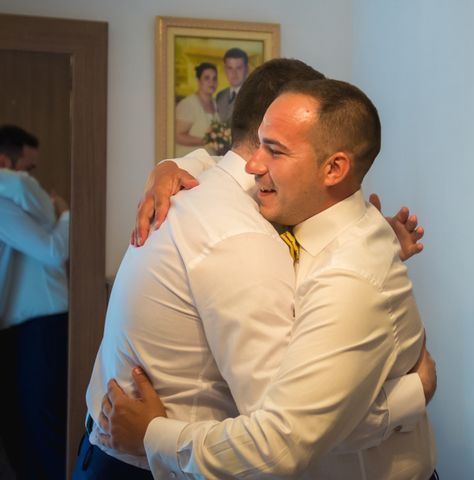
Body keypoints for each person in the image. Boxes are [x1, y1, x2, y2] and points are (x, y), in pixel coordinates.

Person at [75, 60, 435, 479]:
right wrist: (412, 392)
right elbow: (285, 434)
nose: (254, 165)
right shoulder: (239, 230)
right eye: (262, 144)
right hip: (146, 461)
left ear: (333, 166)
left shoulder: (326, 261)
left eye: (277, 149)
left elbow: (289, 435)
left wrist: (154, 434)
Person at [0, 125, 70, 479]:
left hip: (37, 324)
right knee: (30, 431)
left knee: (36, 429)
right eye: (28, 169)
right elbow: (54, 250)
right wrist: (67, 213)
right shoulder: (12, 195)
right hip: (34, 325)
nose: (33, 181)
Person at [174, 62, 221, 157]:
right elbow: (177, 136)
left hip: (209, 163)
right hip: (189, 162)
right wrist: (206, 141)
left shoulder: (216, 103)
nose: (211, 82)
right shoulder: (189, 104)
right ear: (199, 81)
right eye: (207, 78)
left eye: (214, 78)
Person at [215, 47, 249, 123]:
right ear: (225, 69)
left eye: (239, 68)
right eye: (230, 68)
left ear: (247, 69)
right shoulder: (220, 96)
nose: (234, 73)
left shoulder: (253, 96)